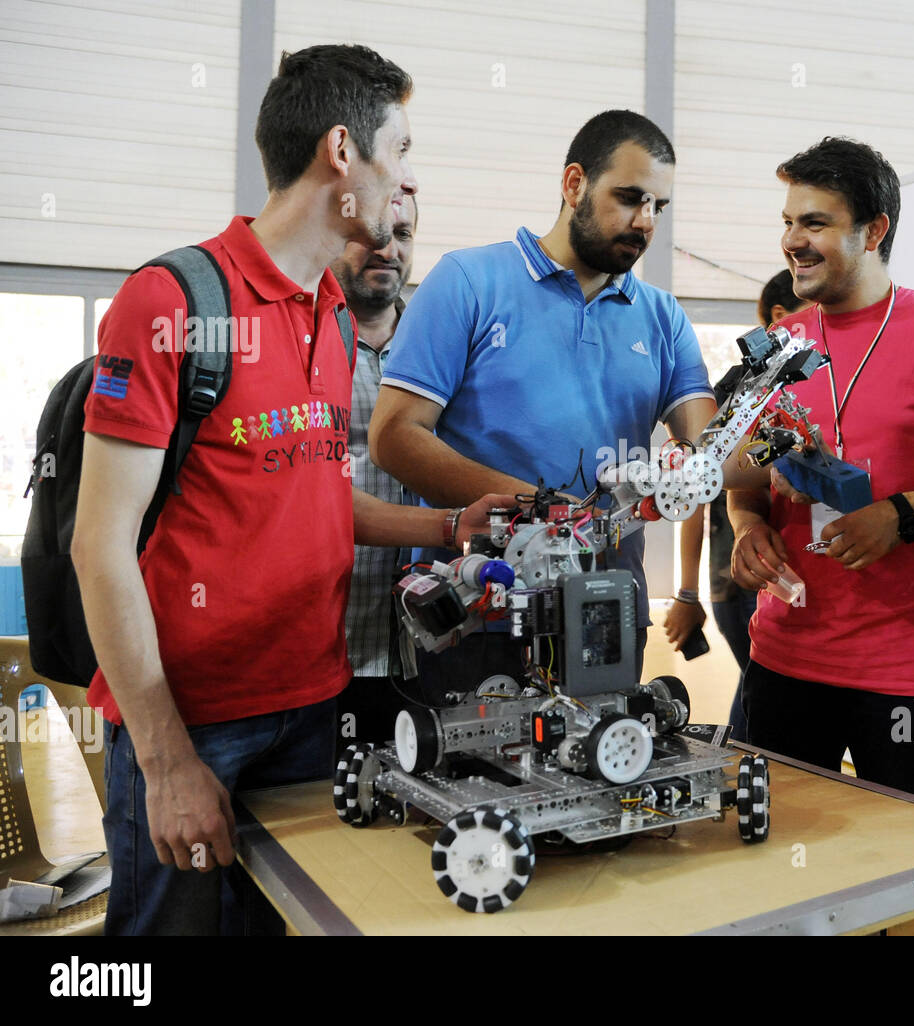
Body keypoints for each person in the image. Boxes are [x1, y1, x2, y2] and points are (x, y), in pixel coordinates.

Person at [71, 45, 510, 935]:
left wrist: (450, 522)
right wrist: (166, 763)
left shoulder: (335, 318)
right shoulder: (173, 302)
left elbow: (312, 499)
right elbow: (99, 544)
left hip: (314, 714)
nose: (410, 179)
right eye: (404, 149)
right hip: (195, 725)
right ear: (343, 153)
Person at [728, 138, 914, 931]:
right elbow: (741, 476)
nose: (792, 240)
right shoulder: (779, 346)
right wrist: (747, 524)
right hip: (787, 655)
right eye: (788, 221)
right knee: (778, 868)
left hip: (909, 666)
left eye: (815, 222)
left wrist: (902, 516)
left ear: (874, 228)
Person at [370, 109, 715, 687]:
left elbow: (710, 450)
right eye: (629, 197)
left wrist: (781, 453)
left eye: (658, 206)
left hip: (605, 613)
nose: (645, 221)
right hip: (477, 612)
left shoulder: (662, 316)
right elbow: (394, 437)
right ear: (574, 184)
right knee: (467, 775)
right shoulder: (468, 281)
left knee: (605, 769)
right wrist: (546, 511)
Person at [664, 270, 807, 742]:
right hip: (746, 577)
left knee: (758, 692)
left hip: (778, 575)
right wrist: (687, 593)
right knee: (761, 692)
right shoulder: (744, 390)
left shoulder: (809, 382)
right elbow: (700, 486)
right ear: (782, 320)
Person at [332, 194, 419, 748]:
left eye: (403, 235)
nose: (388, 249)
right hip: (325, 649)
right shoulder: (299, 342)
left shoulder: (442, 344)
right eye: (372, 233)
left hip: (421, 653)